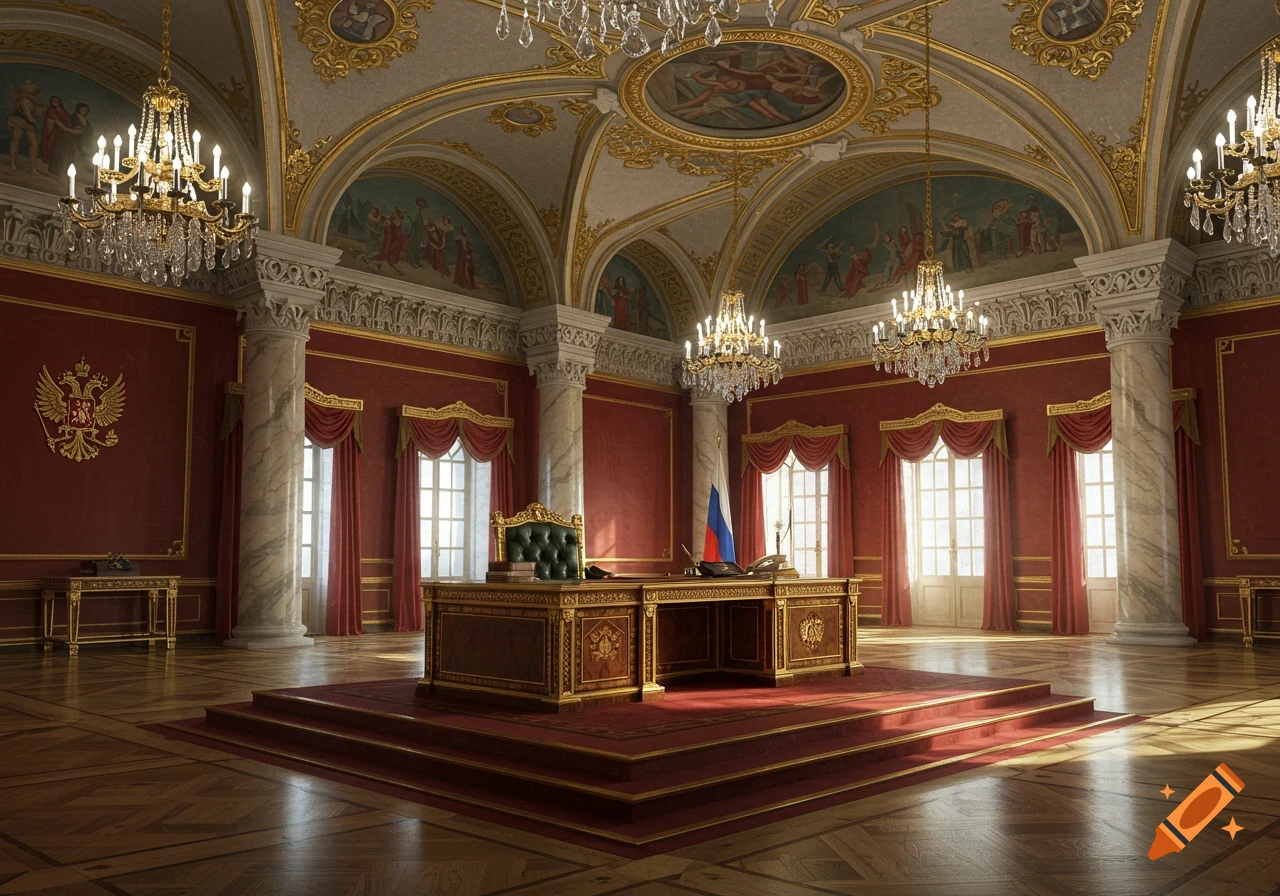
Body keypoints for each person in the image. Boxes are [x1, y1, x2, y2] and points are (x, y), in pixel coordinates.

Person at [8, 79, 44, 175]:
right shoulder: (23, 100)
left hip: (27, 123)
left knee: (34, 145)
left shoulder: (32, 102)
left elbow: (35, 114)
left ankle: (33, 168)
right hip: (18, 121)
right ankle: (13, 163)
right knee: (16, 140)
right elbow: (29, 117)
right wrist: (35, 119)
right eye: (31, 88)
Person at [842, 231, 879, 299]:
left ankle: (851, 293)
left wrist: (857, 259)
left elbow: (864, 261)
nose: (851, 250)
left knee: (855, 278)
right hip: (857, 269)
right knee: (849, 277)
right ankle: (849, 292)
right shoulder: (854, 254)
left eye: (852, 248)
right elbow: (853, 266)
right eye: (850, 249)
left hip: (861, 270)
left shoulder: (863, 251)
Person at [373, 207, 408, 274]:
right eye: (394, 213)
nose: (394, 214)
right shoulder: (393, 219)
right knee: (390, 247)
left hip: (396, 237)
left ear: (398, 215)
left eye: (396, 214)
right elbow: (388, 218)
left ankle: (392, 260)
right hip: (393, 237)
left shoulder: (398, 221)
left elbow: (398, 230)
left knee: (394, 248)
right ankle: (388, 258)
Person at [407, 196, 428, 267]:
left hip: (418, 232)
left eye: (421, 207)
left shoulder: (420, 215)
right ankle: (413, 262)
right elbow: (414, 221)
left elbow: (421, 224)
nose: (420, 208)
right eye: (420, 206)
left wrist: (424, 228)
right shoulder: (415, 213)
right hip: (414, 231)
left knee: (418, 247)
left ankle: (417, 261)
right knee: (413, 245)